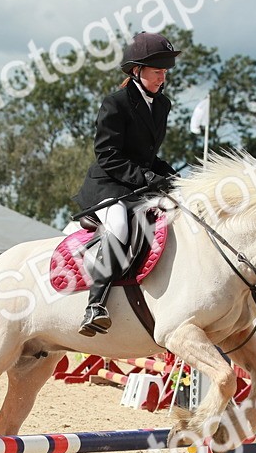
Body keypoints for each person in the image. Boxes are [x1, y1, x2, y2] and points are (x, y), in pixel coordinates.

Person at [71, 31, 181, 336]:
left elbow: (148, 156)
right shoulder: (116, 103)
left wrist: (170, 176)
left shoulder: (162, 105)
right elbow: (108, 155)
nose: (163, 77)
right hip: (109, 183)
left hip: (135, 184)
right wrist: (147, 177)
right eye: (157, 71)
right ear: (137, 70)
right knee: (119, 225)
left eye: (165, 71)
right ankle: (95, 305)